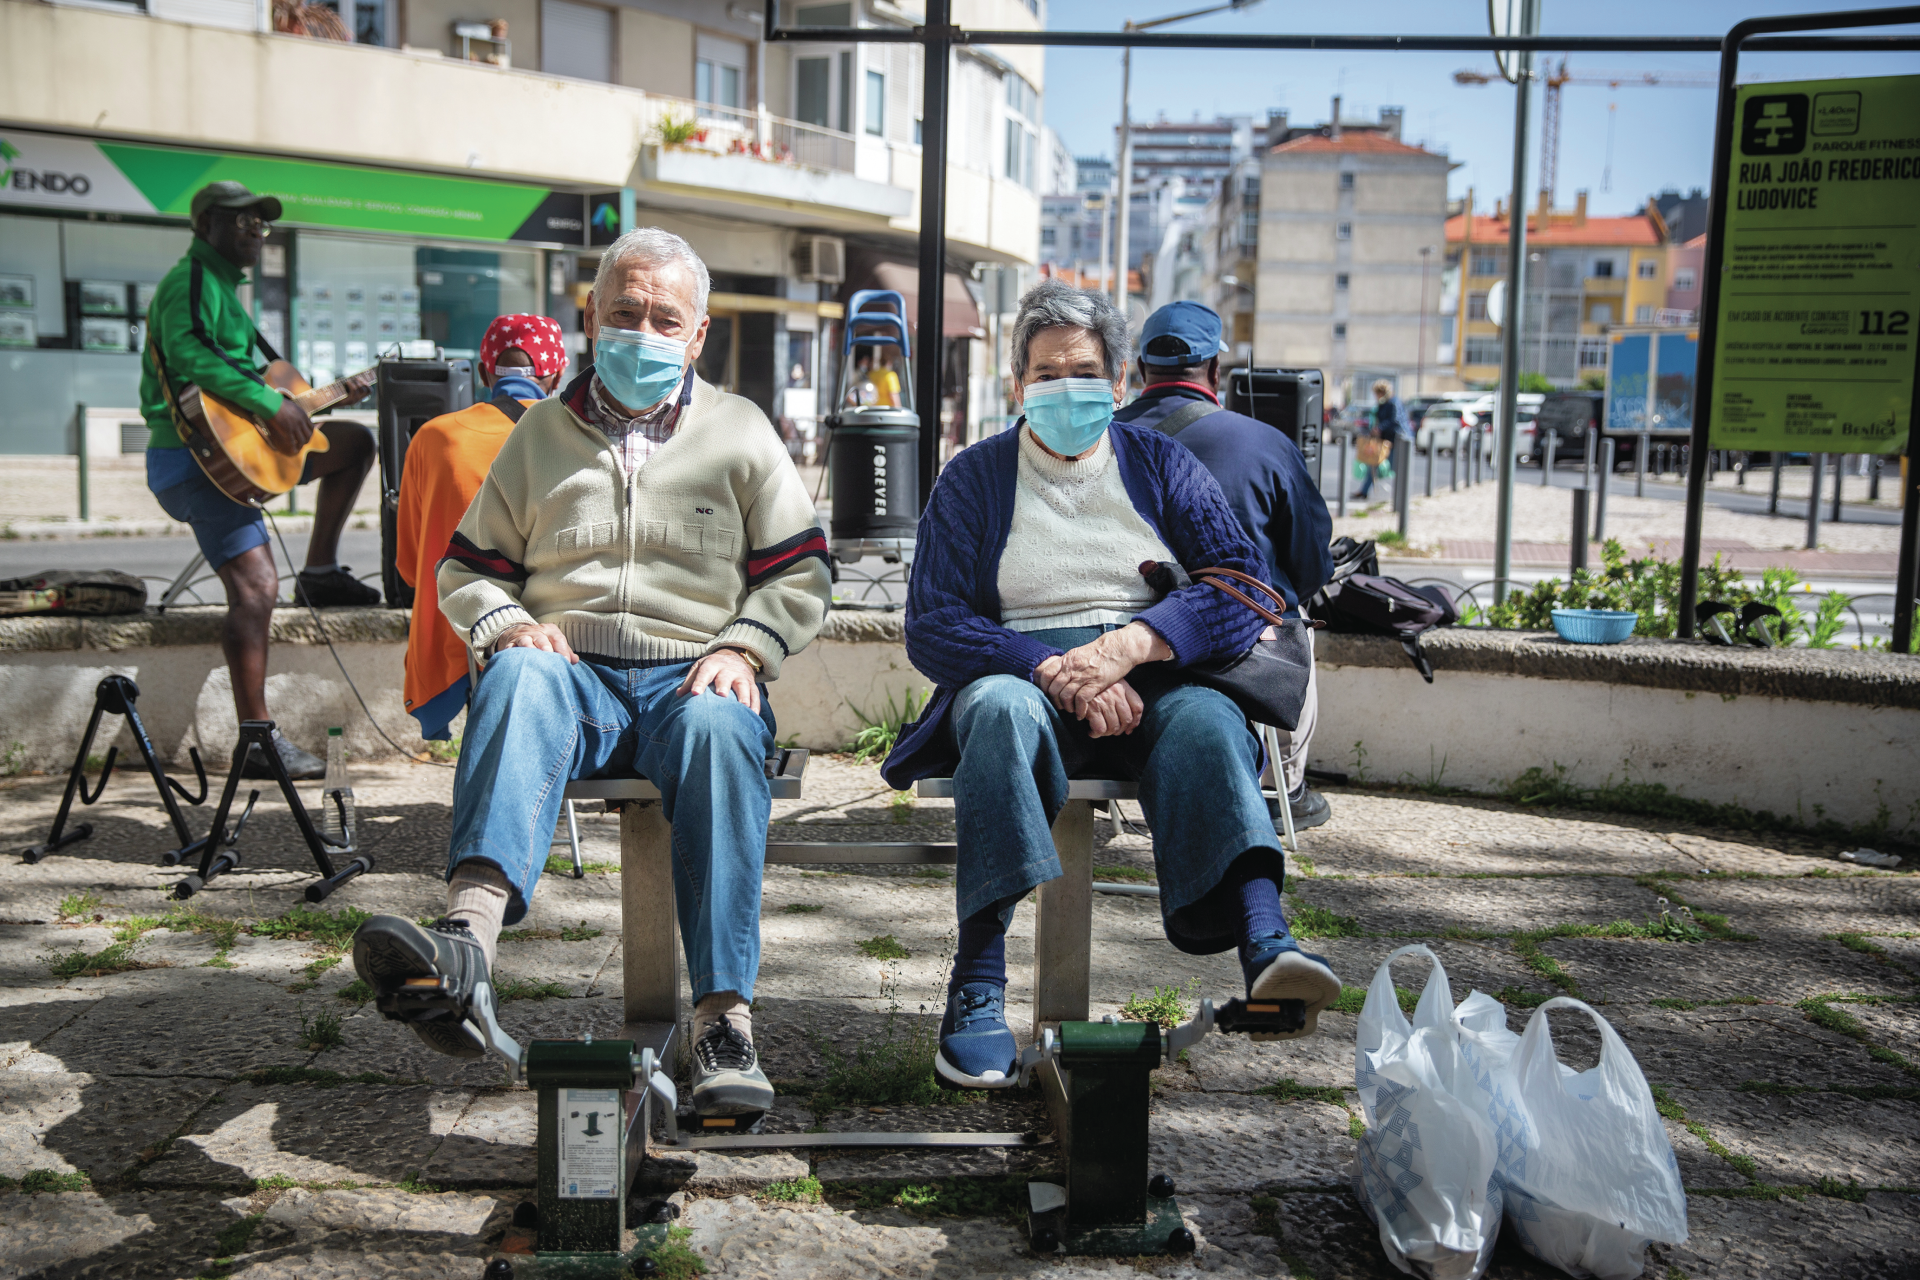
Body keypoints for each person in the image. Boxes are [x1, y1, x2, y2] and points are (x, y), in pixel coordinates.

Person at [349, 228, 832, 1118]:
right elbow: (468, 565)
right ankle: (465, 955)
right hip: (572, 677)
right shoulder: (539, 433)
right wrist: (509, 624)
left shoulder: (741, 430)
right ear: (592, 318)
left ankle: (724, 1023)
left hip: (697, 677)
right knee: (515, 677)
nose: (642, 331)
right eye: (625, 312)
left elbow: (801, 569)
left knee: (724, 730)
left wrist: (744, 648)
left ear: (698, 336)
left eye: (665, 318)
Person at [881, 279, 1343, 1091]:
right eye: (1047, 374)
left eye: (1085, 372)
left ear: (1120, 382)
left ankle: (1267, 942)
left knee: (1205, 719)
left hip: (1150, 675)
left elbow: (1244, 586)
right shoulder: (974, 478)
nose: (1066, 390)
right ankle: (978, 985)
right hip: (1022, 676)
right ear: (1018, 385)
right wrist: (1052, 669)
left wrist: (1131, 645)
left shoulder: (1161, 463)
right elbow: (932, 623)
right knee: (993, 711)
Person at [141, 181, 377, 780]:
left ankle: (320, 572)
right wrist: (270, 406)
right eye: (242, 222)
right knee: (256, 587)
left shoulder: (224, 290)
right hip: (195, 460)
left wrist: (309, 399)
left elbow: (259, 382)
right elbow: (189, 354)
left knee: (354, 443)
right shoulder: (189, 282)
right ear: (205, 226)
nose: (255, 232)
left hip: (237, 452)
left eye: (261, 225)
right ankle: (255, 739)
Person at [1113, 301, 1335, 830]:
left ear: (1142, 370)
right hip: (1241, 649)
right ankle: (1281, 786)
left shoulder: (1095, 439)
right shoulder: (1265, 444)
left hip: (1119, 647)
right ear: (1216, 371)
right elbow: (1310, 566)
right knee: (1291, 608)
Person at [394, 313, 568, 741]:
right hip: (563, 637)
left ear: (482, 371)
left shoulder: (434, 437)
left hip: (464, 636)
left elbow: (412, 566)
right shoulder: (578, 434)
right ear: (558, 374)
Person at [1353, 380, 1403, 501]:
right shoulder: (1382, 404)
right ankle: (1364, 491)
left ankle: (1400, 495)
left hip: (1395, 441)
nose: (1376, 396)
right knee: (1373, 464)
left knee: (1396, 467)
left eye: (1377, 393)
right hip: (1384, 440)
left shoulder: (1393, 403)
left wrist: (1379, 428)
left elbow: (1394, 420)